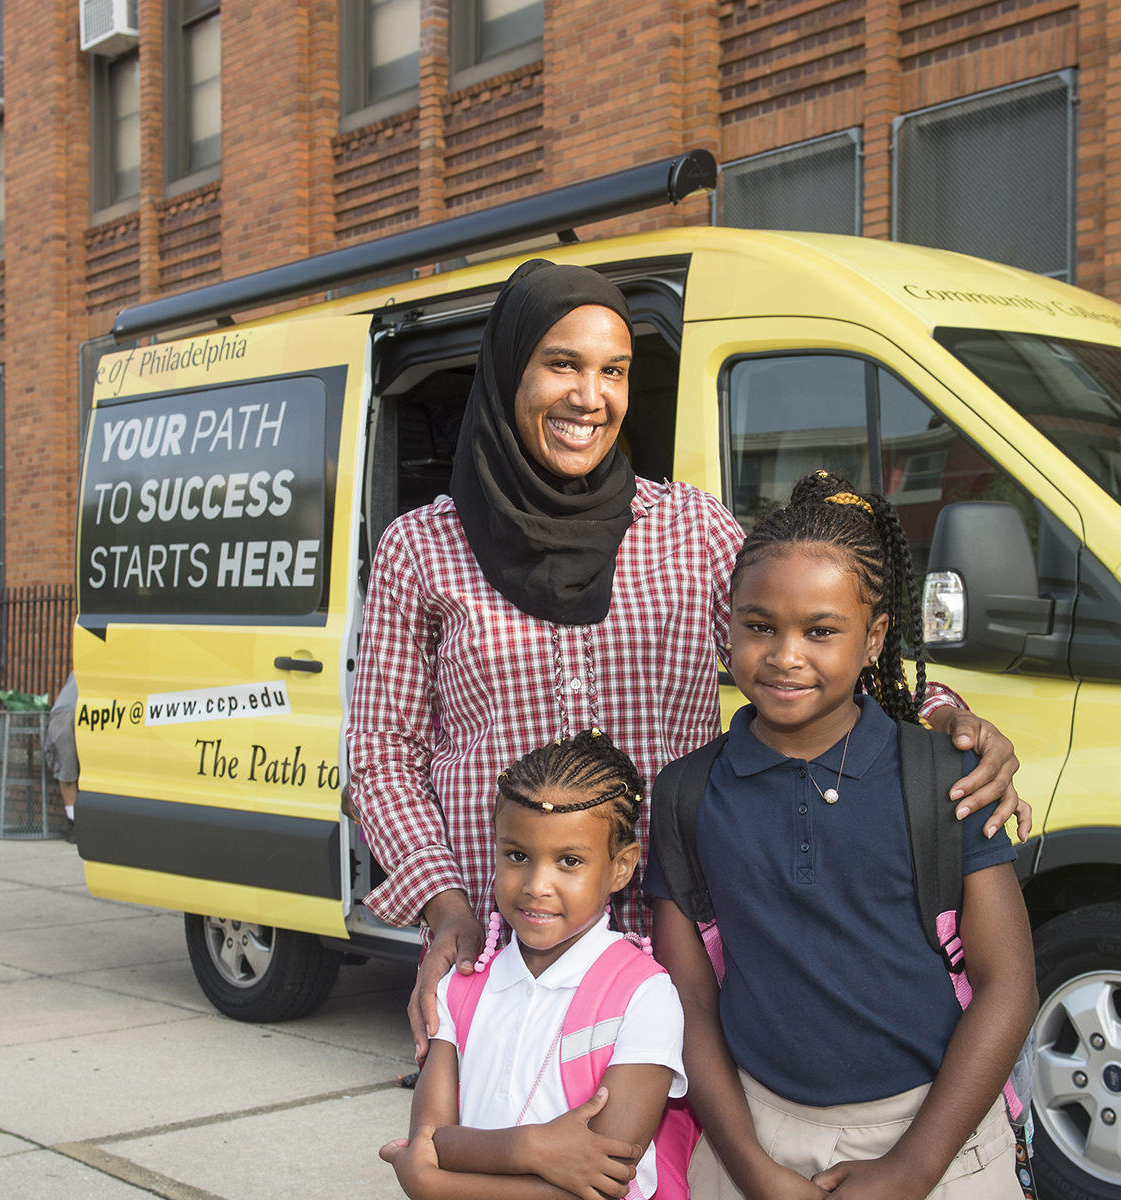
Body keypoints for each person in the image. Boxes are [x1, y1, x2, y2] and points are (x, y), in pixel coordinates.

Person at [344, 259, 1031, 1064]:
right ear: (507, 372)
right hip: (505, 948)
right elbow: (380, 757)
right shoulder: (422, 548)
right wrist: (445, 907)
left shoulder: (688, 531)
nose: (589, 396)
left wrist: (945, 716)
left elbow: (799, 657)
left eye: (614, 370)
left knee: (670, 1178)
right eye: (561, 363)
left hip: (679, 943)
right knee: (508, 1164)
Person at [646, 472, 1066, 1200]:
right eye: (759, 625)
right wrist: (753, 1172)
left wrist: (913, 1168)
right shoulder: (684, 796)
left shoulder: (942, 775)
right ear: (727, 626)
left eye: (821, 630)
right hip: (762, 1154)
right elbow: (689, 1006)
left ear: (875, 636)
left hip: (935, 1151)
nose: (785, 654)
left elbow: (1008, 984)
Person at [381, 731, 683, 1200]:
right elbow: (430, 1142)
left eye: (569, 860)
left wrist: (435, 1182)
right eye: (517, 856)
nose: (536, 885)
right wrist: (537, 1148)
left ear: (623, 865)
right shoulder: (461, 985)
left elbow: (588, 1197)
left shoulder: (643, 995)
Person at [44, 674, 80, 840]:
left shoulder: (79, 668)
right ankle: (76, 825)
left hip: (64, 715)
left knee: (67, 772)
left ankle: (75, 824)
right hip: (82, 713)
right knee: (70, 771)